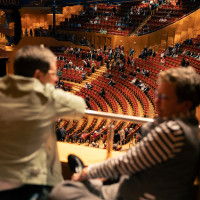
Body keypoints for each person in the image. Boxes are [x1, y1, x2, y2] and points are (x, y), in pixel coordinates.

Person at [50, 67, 200, 200]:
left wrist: (87, 172)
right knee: (89, 183)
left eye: (164, 97)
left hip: (135, 194)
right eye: (157, 94)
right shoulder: (190, 128)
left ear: (185, 105)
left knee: (61, 191)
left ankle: (83, 172)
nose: (156, 101)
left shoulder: (171, 132)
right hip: (138, 187)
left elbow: (128, 162)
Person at [0, 46, 86, 199]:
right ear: (38, 75)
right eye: (53, 73)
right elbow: (79, 107)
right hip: (31, 188)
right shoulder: (43, 96)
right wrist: (46, 92)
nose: (56, 79)